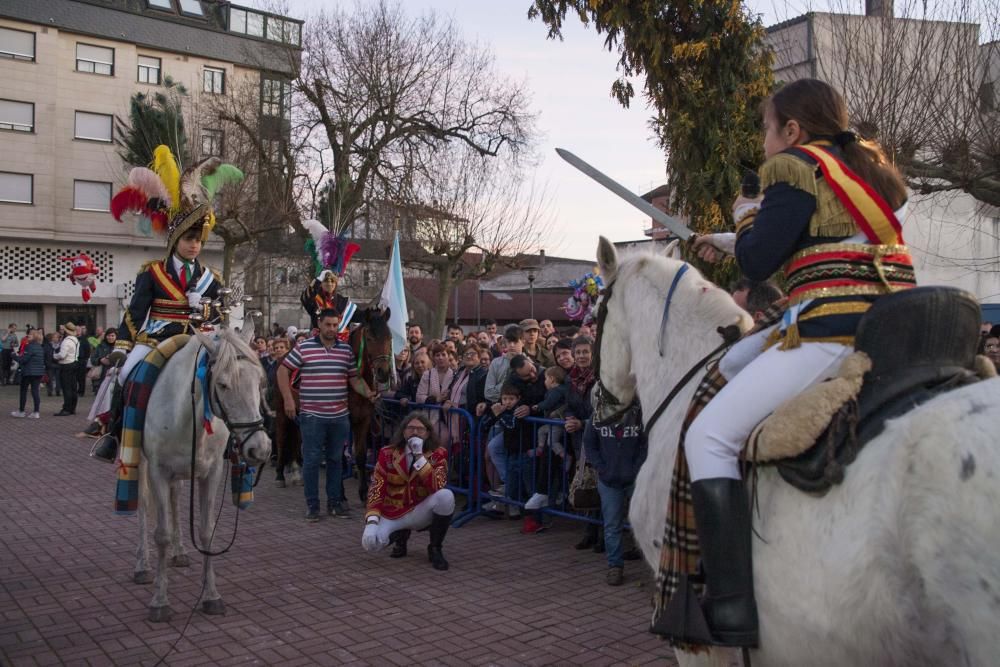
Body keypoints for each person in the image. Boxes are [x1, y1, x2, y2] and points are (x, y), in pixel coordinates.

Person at [679, 78, 915, 648]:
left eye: (765, 127)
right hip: (884, 318)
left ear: (792, 129)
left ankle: (731, 604)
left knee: (706, 437)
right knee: (734, 364)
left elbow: (762, 260)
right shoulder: (862, 173)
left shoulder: (792, 166)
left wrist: (742, 218)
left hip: (830, 329)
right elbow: (805, 244)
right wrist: (729, 239)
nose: (763, 140)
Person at [92, 146, 235, 463]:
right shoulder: (153, 272)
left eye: (198, 239)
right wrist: (124, 345)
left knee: (230, 377)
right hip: (157, 337)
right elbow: (136, 313)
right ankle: (114, 435)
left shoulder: (211, 277)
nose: (194, 245)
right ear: (175, 240)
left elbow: (223, 313)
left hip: (199, 338)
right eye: (188, 239)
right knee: (128, 375)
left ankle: (234, 439)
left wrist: (205, 310)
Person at [278, 309, 377, 522]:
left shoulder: (346, 352)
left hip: (339, 417)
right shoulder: (304, 348)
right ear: (320, 324)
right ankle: (312, 506)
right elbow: (283, 370)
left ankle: (335, 504)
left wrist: (367, 391)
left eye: (335, 325)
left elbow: (354, 379)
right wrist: (287, 399)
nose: (332, 329)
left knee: (335, 461)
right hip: (312, 416)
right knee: (312, 461)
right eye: (328, 325)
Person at [362, 412, 455, 570]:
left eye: (420, 429)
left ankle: (435, 548)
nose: (415, 432)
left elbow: (436, 485)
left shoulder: (439, 454)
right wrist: (372, 521)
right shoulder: (387, 453)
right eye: (410, 428)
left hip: (419, 510)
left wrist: (419, 456)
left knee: (446, 496)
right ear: (403, 431)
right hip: (394, 511)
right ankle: (400, 536)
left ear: (427, 433)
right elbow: (377, 487)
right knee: (372, 544)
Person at [584, 401, 647, 586]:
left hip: (634, 478)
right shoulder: (597, 416)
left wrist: (637, 468)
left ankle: (651, 561)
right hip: (609, 480)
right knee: (612, 525)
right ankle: (615, 566)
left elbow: (646, 443)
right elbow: (590, 444)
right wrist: (601, 468)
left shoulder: (638, 416)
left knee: (643, 521)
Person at [416, 342, 455, 442]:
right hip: (430, 416)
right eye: (437, 355)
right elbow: (419, 397)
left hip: (449, 416)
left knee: (445, 438)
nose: (440, 358)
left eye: (443, 354)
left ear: (448, 356)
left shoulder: (455, 375)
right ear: (433, 358)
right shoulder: (427, 374)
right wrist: (436, 399)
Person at [484, 325, 523, 405]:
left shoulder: (529, 363)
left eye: (515, 342)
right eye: (509, 342)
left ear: (523, 342)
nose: (512, 345)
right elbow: (488, 393)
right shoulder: (496, 363)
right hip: (498, 409)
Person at [11, 328, 44, 419]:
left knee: (23, 391)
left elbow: (23, 360)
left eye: (29, 335)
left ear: (34, 337)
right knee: (35, 392)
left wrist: (14, 356)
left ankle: (21, 411)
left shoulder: (29, 346)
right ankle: (36, 412)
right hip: (39, 372)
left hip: (28, 372)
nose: (27, 336)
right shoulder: (40, 347)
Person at [53, 322, 79, 416]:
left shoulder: (66, 341)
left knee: (66, 387)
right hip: (74, 363)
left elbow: (62, 355)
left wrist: (54, 356)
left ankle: (66, 409)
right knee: (73, 387)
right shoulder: (75, 340)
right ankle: (72, 408)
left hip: (66, 365)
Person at [44, 332, 61, 397]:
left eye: (56, 337)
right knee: (50, 379)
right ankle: (50, 391)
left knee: (58, 379)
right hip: (50, 364)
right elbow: (45, 354)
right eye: (54, 337)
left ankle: (58, 391)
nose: (55, 339)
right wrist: (46, 363)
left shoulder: (61, 346)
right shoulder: (48, 345)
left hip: (58, 365)